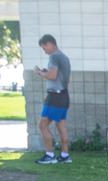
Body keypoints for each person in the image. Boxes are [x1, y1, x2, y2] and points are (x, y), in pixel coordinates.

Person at [34, 34, 72, 164]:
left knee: (42, 125)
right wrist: (46, 72)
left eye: (45, 48)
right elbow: (59, 76)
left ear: (50, 43)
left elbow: (52, 76)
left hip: (55, 97)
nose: (45, 51)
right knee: (61, 125)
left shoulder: (54, 56)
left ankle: (50, 156)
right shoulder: (64, 57)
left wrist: (40, 72)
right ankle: (65, 155)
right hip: (63, 95)